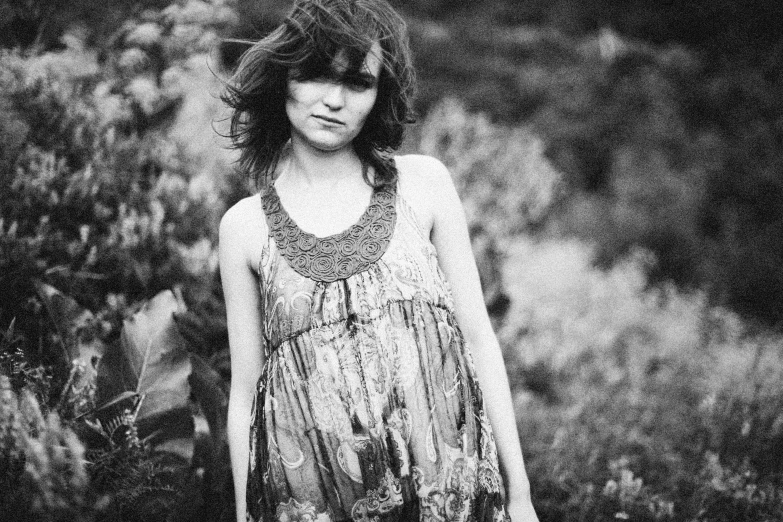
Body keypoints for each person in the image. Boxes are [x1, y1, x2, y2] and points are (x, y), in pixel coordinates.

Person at [218, 1, 540, 521]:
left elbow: (479, 339)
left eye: (357, 83)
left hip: (449, 497)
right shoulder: (244, 228)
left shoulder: (424, 185)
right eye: (316, 75)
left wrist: (519, 494)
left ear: (377, 97)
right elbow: (246, 398)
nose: (333, 100)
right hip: (312, 503)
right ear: (284, 79)